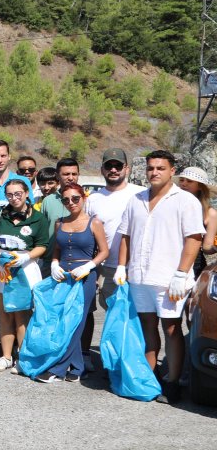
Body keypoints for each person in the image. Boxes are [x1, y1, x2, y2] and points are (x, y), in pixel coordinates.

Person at [115, 150, 205, 403]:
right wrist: (122, 266)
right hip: (140, 277)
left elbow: (194, 239)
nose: (154, 172)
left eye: (160, 168)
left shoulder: (185, 201)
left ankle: (173, 380)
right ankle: (149, 376)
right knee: (147, 326)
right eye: (151, 168)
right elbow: (126, 235)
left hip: (169, 279)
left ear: (171, 171)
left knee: (172, 327)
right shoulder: (136, 199)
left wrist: (181, 273)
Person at [83, 148, 144, 358]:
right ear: (102, 169)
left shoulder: (141, 193)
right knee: (113, 315)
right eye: (109, 165)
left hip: (136, 267)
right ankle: (115, 360)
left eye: (118, 165)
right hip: (107, 269)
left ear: (127, 168)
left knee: (139, 317)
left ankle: (135, 359)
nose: (114, 169)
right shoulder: (93, 199)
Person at [0, 178, 48, 373]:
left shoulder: (38, 218)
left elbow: (42, 245)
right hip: (0, 267)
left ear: (26, 193)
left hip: (24, 267)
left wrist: (26, 257)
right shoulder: (0, 213)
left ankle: (23, 357)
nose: (14, 198)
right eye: (10, 195)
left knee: (21, 314)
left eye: (18, 194)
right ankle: (5, 356)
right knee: (4, 314)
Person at [47, 183, 108, 383]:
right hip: (63, 274)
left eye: (75, 198)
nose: (71, 203)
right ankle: (78, 365)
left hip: (84, 275)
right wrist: (55, 263)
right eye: (66, 200)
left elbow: (104, 251)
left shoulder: (94, 223)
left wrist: (90, 266)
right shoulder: (60, 222)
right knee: (63, 318)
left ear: (83, 198)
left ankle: (60, 367)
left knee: (78, 319)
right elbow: (57, 248)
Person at [176, 167, 217, 277]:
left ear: (200, 186)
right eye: (181, 180)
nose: (184, 184)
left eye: (189, 181)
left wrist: (215, 247)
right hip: (168, 257)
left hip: (194, 264)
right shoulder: (170, 205)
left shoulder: (210, 213)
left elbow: (207, 247)